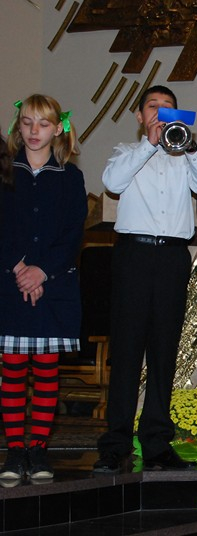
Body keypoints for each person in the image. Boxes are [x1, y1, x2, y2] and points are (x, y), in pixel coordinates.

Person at [94, 86, 197, 473]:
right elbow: (113, 182)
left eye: (168, 109)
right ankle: (116, 444)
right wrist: (149, 144)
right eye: (153, 107)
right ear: (139, 115)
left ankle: (157, 443)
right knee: (127, 352)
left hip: (172, 257)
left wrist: (190, 148)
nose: (161, 114)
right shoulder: (125, 152)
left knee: (164, 352)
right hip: (133, 255)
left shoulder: (185, 156)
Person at [0, 95, 87, 481]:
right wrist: (19, 267)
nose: (34, 131)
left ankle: (38, 449)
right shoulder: (5, 171)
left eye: (43, 124)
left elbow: (72, 234)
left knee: (48, 369)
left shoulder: (70, 177)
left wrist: (42, 271)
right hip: (11, 283)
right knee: (13, 369)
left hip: (54, 286)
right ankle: (15, 451)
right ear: (17, 127)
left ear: (58, 129)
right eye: (27, 123)